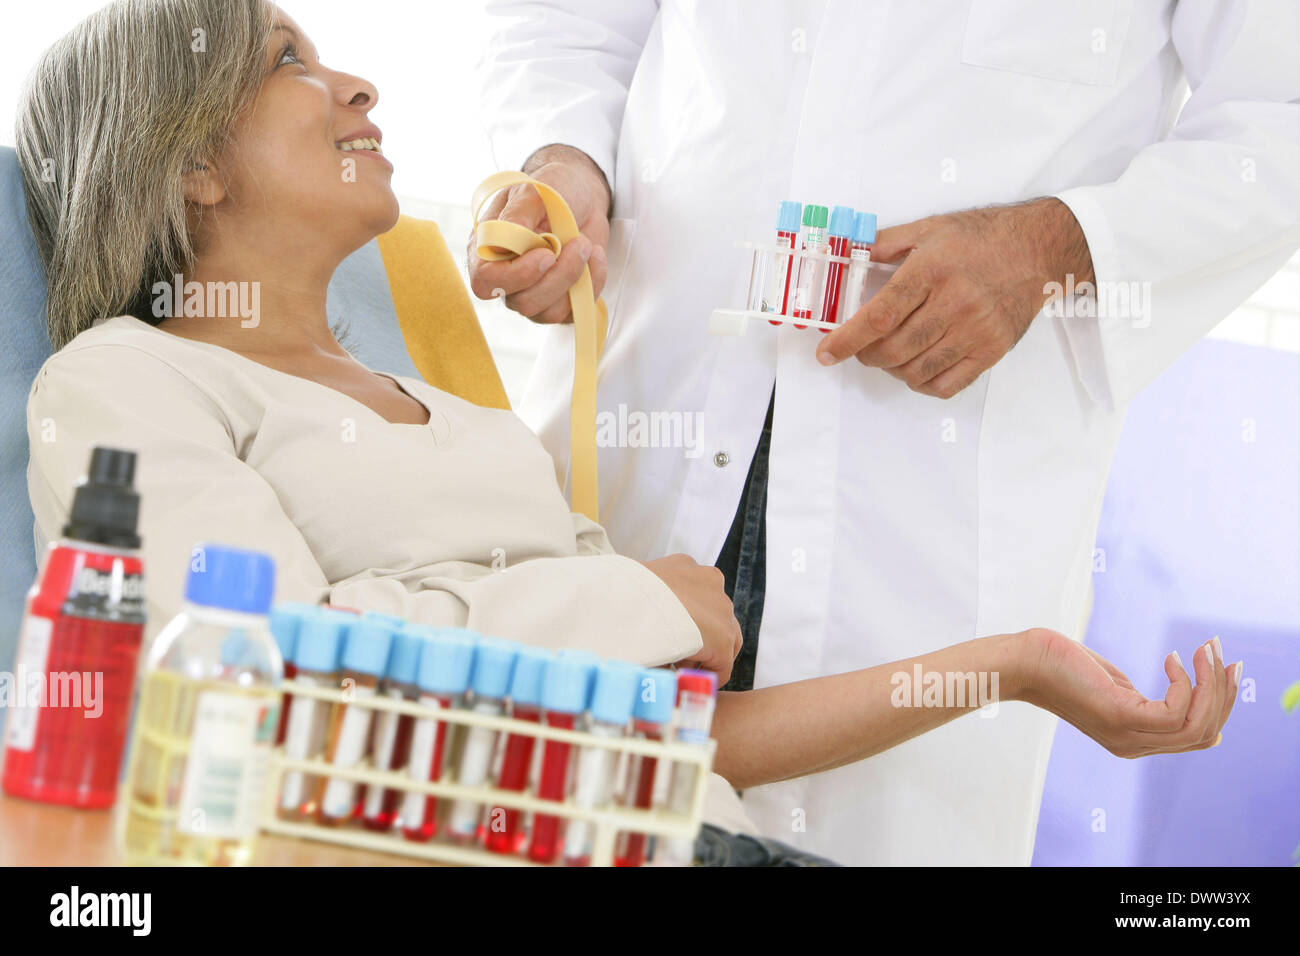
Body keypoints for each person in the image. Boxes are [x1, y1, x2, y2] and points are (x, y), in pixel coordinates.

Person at [19, 0, 1236, 860]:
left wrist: (1012, 661)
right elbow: (270, 679)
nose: (359, 84)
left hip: (674, 812)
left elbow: (672, 735)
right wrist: (646, 604)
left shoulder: (465, 422)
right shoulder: (128, 382)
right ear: (186, 164)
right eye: (287, 56)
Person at [471, 0, 1300, 864]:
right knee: (551, 799)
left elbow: (1282, 115)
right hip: (651, 405)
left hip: (925, 493)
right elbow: (563, 21)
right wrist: (562, 155)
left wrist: (1056, 244)